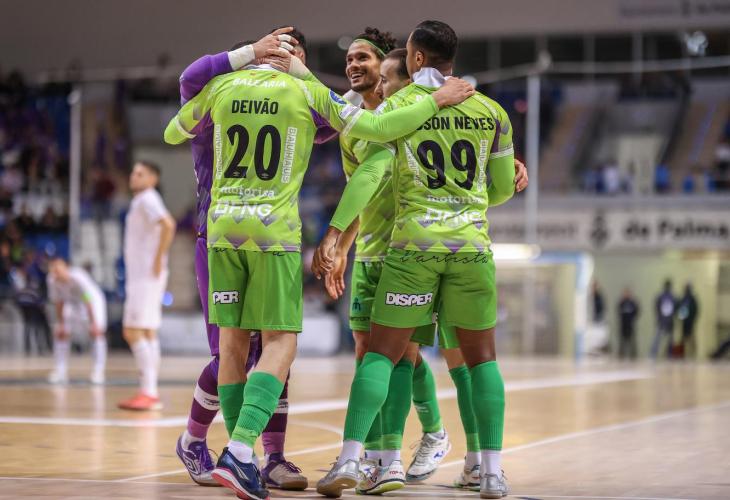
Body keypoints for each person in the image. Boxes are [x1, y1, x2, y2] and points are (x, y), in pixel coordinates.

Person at [164, 38, 474, 499]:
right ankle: (242, 451)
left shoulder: (222, 86)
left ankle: (248, 456)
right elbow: (371, 126)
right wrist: (436, 99)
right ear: (295, 60)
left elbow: (173, 133)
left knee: (231, 348)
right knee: (283, 345)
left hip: (222, 229)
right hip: (275, 234)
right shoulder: (307, 93)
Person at [313, 20, 516, 499]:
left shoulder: (400, 107)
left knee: (380, 355)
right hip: (470, 249)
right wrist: (467, 205)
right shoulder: (492, 111)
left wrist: (336, 231)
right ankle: (489, 472)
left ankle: (353, 458)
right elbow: (505, 187)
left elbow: (369, 175)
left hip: (412, 251)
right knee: (481, 361)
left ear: (417, 59)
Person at [173, 28, 318, 488]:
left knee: (274, 349)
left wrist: (306, 78)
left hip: (265, 234)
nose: (282, 62)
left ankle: (269, 457)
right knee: (233, 351)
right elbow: (189, 78)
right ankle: (196, 440)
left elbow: (333, 121)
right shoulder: (221, 94)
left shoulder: (292, 98)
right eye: (277, 52)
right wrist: (249, 53)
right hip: (215, 236)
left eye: (292, 57)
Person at [117, 161, 176, 411]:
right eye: (133, 172)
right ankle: (149, 391)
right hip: (144, 275)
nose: (134, 176)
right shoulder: (142, 199)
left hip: (145, 276)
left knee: (132, 331)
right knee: (148, 332)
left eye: (140, 173)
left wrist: (158, 258)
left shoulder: (148, 199)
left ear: (153, 179)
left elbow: (168, 224)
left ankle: (149, 392)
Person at [46, 257, 107, 384]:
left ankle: (98, 372)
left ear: (66, 268)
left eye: (58, 268)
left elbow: (87, 298)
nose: (56, 271)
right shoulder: (51, 280)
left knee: (96, 333)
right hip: (72, 303)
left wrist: (93, 323)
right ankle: (60, 372)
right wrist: (61, 323)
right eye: (53, 269)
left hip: (92, 301)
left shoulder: (79, 277)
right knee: (61, 333)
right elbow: (59, 302)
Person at [651, 280, 676, 359]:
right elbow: (657, 308)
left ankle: (669, 355)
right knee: (659, 338)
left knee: (667, 339)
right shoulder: (669, 297)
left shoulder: (671, 297)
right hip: (664, 321)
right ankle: (654, 354)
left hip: (667, 321)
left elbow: (657, 308)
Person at [677, 283, 698, 359]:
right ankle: (683, 355)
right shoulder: (684, 299)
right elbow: (681, 310)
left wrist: (692, 319)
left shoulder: (692, 299)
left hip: (690, 322)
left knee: (691, 339)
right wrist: (681, 318)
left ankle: (692, 355)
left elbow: (695, 310)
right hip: (685, 322)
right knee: (684, 339)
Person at [617, 288, 639, 359]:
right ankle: (621, 354)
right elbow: (618, 310)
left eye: (628, 293)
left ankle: (633, 355)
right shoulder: (622, 302)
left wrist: (633, 318)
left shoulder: (632, 302)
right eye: (625, 293)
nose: (626, 295)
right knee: (622, 340)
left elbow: (637, 310)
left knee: (631, 340)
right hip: (623, 324)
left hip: (630, 324)